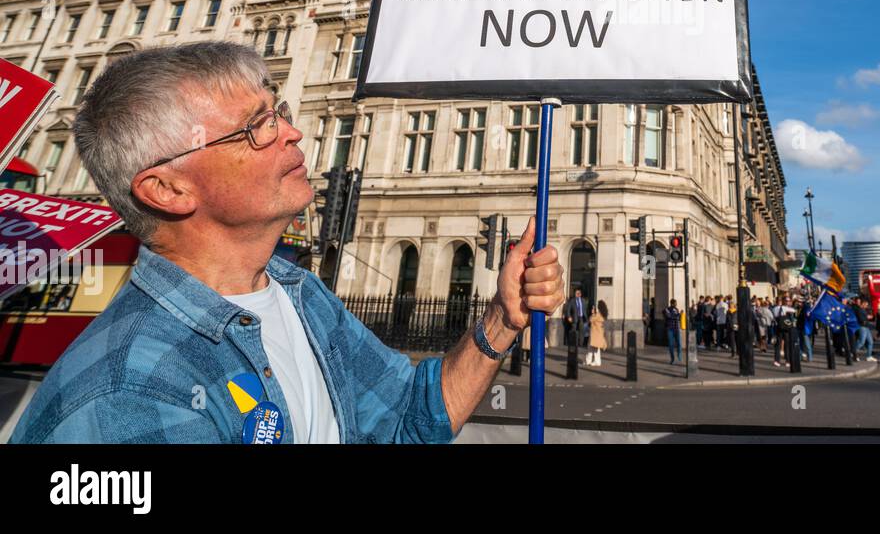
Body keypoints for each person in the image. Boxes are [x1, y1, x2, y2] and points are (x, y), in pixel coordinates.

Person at [11, 42, 566, 444]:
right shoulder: (129, 393)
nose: (292, 132)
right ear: (167, 188)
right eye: (255, 127)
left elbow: (410, 416)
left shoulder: (299, 293)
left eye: (278, 112)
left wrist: (501, 319)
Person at [585, 300, 608, 366]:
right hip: (597, 333)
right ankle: (589, 361)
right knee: (592, 347)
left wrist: (592, 313)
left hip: (596, 333)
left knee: (594, 348)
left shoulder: (598, 314)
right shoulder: (601, 314)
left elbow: (591, 319)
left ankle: (596, 361)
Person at [852, 296, 874, 361]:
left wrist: (867, 317)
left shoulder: (863, 310)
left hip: (866, 327)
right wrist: (867, 318)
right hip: (862, 327)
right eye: (866, 305)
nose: (867, 306)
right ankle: (853, 353)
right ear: (863, 303)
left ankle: (869, 356)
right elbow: (861, 319)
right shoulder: (859, 310)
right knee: (861, 342)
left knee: (870, 342)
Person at [664, 299, 682, 364]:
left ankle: (679, 354)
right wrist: (678, 315)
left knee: (679, 343)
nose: (676, 305)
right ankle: (672, 359)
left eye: (676, 303)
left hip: (676, 328)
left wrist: (679, 315)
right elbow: (669, 316)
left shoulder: (676, 309)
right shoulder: (667, 309)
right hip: (670, 329)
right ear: (672, 303)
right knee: (671, 344)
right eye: (675, 303)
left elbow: (678, 318)